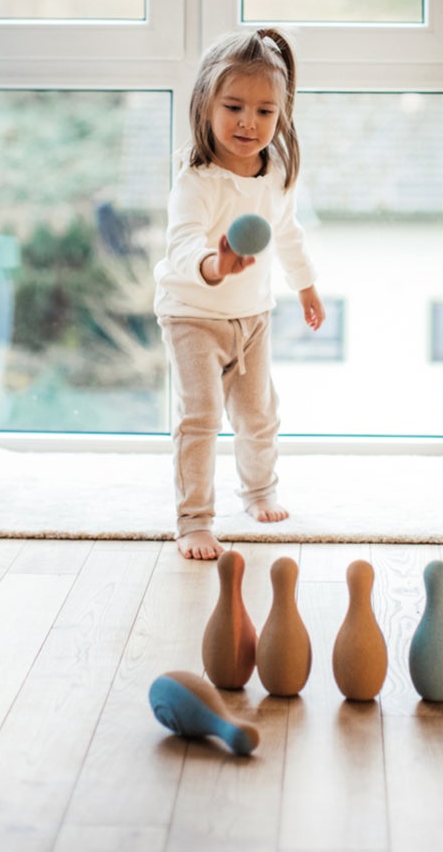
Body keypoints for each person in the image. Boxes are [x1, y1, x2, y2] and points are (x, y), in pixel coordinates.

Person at [154, 28, 325, 560]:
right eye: (233, 107)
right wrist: (216, 263)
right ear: (206, 104)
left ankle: (257, 492)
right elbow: (182, 242)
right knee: (200, 415)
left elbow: (289, 232)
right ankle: (194, 520)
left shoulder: (276, 173)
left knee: (258, 416)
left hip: (252, 316)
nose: (249, 123)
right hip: (193, 314)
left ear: (283, 115)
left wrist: (306, 286)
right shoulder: (198, 178)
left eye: (265, 112)